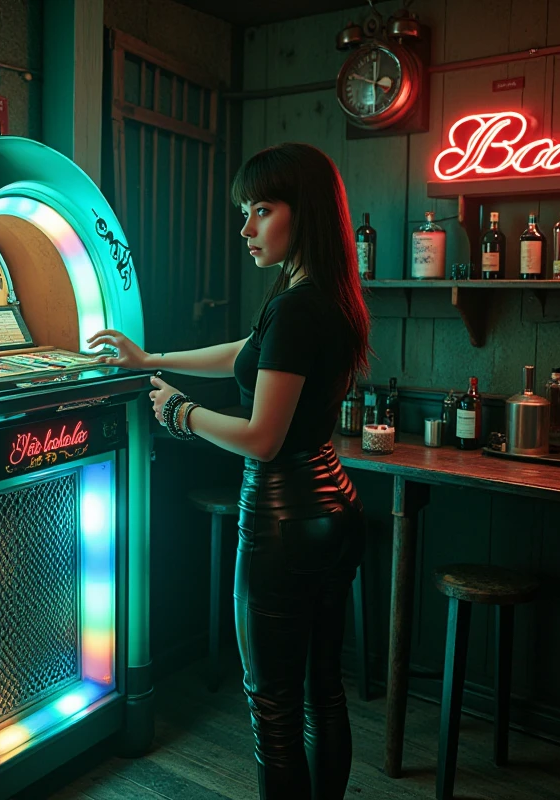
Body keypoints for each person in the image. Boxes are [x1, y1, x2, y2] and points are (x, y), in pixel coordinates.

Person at [87, 142, 370, 799]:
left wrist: (179, 412)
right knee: (323, 690)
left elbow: (263, 439)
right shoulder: (322, 294)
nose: (245, 229)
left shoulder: (298, 305)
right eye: (246, 212)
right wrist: (149, 356)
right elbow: (248, 354)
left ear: (308, 215)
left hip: (283, 521)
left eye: (261, 210)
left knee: (273, 707)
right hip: (334, 507)